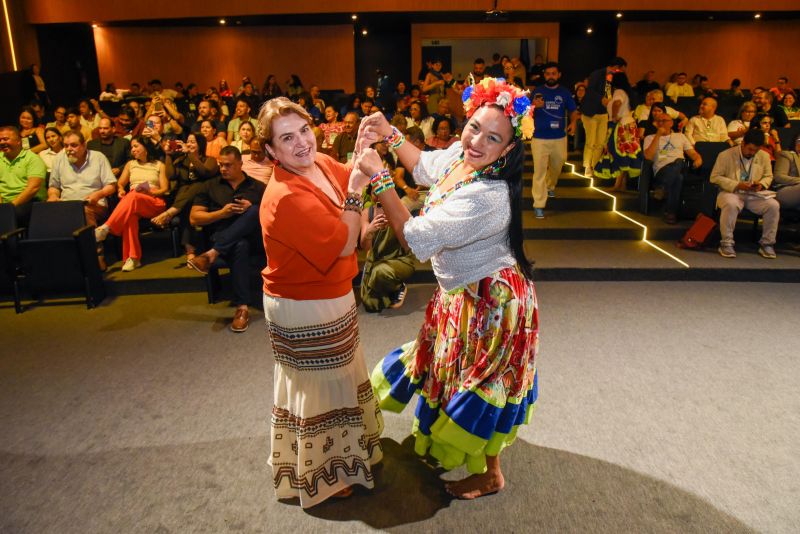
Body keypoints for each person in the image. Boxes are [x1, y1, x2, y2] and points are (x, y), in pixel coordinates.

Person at [357, 77, 539, 500]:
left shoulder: (490, 196)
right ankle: (471, 455)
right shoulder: (463, 155)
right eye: (474, 126)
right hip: (461, 294)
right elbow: (423, 165)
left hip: (494, 303)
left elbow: (417, 238)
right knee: (455, 371)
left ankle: (490, 473)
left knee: (483, 382)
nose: (476, 141)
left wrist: (380, 177)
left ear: (508, 150)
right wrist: (391, 133)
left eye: (493, 138)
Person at [256, 97, 383, 507]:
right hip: (304, 304)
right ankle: (325, 474)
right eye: (286, 138)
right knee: (319, 387)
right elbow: (345, 239)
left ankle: (344, 455)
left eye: (304, 131)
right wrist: (358, 195)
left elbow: (348, 176)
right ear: (271, 151)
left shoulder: (322, 163)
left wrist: (362, 151)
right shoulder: (284, 197)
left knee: (338, 378)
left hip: (332, 294)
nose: (301, 143)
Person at [186, 146, 265, 331]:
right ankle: (242, 308)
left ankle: (212, 254)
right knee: (240, 244)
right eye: (221, 165)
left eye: (228, 165)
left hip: (256, 241)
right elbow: (194, 217)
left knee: (254, 210)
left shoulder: (258, 187)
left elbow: (275, 214)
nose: (223, 169)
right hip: (225, 238)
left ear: (240, 163)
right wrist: (221, 214)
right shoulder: (210, 186)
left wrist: (255, 209)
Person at [94, 136, 169, 271]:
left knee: (132, 196)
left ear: (145, 148)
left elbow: (164, 189)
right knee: (130, 217)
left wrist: (151, 192)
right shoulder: (130, 164)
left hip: (153, 201)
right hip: (133, 200)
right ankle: (133, 258)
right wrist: (121, 190)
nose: (132, 150)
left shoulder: (159, 165)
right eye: (132, 147)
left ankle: (107, 227)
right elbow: (120, 184)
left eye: (136, 146)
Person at [47, 131, 117, 269]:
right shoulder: (59, 158)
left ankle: (96, 256)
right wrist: (53, 196)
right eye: (66, 146)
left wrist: (98, 194)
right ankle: (61, 263)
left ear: (84, 145)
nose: (69, 150)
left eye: (73, 145)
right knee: (47, 213)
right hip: (67, 205)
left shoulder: (98, 158)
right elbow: (53, 187)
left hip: (94, 204)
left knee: (84, 211)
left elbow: (111, 186)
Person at [711, 128, 779, 259]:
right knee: (731, 203)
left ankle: (767, 244)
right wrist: (737, 184)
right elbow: (715, 177)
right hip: (731, 192)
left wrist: (761, 184)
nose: (752, 153)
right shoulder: (725, 155)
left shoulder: (763, 156)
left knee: (773, 205)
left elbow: (768, 176)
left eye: (756, 150)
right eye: (750, 149)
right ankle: (726, 243)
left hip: (754, 195)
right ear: (742, 143)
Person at [151, 133, 219, 263]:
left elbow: (205, 173)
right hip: (185, 201)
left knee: (198, 185)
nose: (189, 144)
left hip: (205, 198)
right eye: (188, 141)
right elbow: (171, 176)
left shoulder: (209, 160)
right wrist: (168, 155)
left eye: (193, 142)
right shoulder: (181, 160)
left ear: (201, 145)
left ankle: (170, 213)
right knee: (187, 207)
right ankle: (190, 250)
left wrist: (190, 155)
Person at [529, 62, 578, 218]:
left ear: (559, 75)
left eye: (554, 73)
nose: (551, 76)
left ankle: (550, 185)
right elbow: (526, 111)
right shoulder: (537, 91)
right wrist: (534, 107)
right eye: (548, 73)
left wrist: (573, 122)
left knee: (559, 163)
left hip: (559, 137)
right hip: (539, 138)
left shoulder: (564, 92)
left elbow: (573, 111)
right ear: (544, 75)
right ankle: (539, 205)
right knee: (539, 172)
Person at [359, 194, 415, 312]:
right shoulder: (367, 213)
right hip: (375, 261)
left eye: (381, 189)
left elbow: (410, 244)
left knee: (381, 271)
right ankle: (388, 289)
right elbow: (366, 247)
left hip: (400, 260)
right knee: (371, 305)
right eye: (375, 190)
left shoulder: (401, 209)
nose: (379, 194)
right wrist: (370, 230)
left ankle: (398, 286)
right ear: (371, 193)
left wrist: (395, 225)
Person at [643, 115, 702, 224]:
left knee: (679, 164)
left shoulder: (680, 136)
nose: (661, 123)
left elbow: (692, 153)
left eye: (664, 121)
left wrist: (698, 158)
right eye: (658, 121)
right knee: (678, 177)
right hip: (662, 170)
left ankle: (663, 191)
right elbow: (648, 157)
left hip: (680, 168)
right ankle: (671, 212)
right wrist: (658, 135)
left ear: (671, 123)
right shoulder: (650, 138)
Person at [593, 72, 642, 191]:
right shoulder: (625, 92)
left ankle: (618, 184)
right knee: (624, 154)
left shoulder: (619, 91)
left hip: (622, 126)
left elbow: (617, 103)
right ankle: (621, 184)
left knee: (617, 152)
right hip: (628, 125)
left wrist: (614, 116)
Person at [582, 57, 627, 177]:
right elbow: (590, 91)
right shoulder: (597, 74)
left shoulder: (613, 77)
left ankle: (595, 166)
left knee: (600, 142)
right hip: (590, 112)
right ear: (615, 67)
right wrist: (602, 99)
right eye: (620, 70)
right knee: (590, 141)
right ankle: (587, 166)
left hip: (603, 113)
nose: (620, 72)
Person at [0, 126, 47, 225]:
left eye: (6, 139)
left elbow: (33, 188)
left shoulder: (32, 159)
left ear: (18, 141)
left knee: (15, 214)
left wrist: (9, 207)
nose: (2, 142)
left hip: (29, 201)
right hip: (4, 202)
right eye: (0, 140)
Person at [773, 134, 800, 210]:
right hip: (785, 189)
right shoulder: (786, 155)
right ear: (794, 142)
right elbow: (778, 176)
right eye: (799, 140)